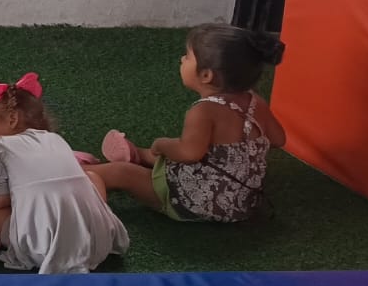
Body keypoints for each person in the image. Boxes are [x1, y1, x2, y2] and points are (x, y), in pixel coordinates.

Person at [88, 25, 286, 222]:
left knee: (123, 172)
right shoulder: (255, 101)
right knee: (189, 149)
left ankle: (76, 172)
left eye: (188, 56)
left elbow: (189, 154)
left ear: (206, 75)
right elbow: (278, 139)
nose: (182, 59)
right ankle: (138, 154)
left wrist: (162, 144)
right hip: (244, 202)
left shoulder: (204, 110)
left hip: (197, 203)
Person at [0, 74, 129, 274]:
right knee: (92, 177)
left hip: (42, 247)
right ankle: (87, 221)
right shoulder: (56, 140)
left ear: (12, 119)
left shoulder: (0, 146)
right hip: (99, 241)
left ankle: (36, 236)